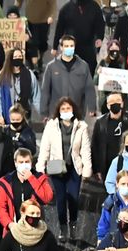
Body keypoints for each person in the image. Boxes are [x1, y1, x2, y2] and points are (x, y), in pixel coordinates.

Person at [37, 96, 92, 236]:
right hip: (57, 168)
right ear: (58, 111)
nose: (66, 111)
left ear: (73, 109)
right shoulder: (51, 126)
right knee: (60, 200)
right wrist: (40, 167)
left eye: (68, 108)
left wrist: (87, 170)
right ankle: (62, 228)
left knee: (73, 198)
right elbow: (45, 147)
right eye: (63, 109)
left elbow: (85, 149)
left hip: (74, 168)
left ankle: (73, 225)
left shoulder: (81, 127)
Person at [39, 35, 96, 119]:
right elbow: (45, 90)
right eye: (66, 46)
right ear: (61, 47)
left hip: (77, 112)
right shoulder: (51, 67)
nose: (69, 48)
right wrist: (44, 112)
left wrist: (92, 107)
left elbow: (89, 88)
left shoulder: (83, 66)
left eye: (71, 46)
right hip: (56, 113)